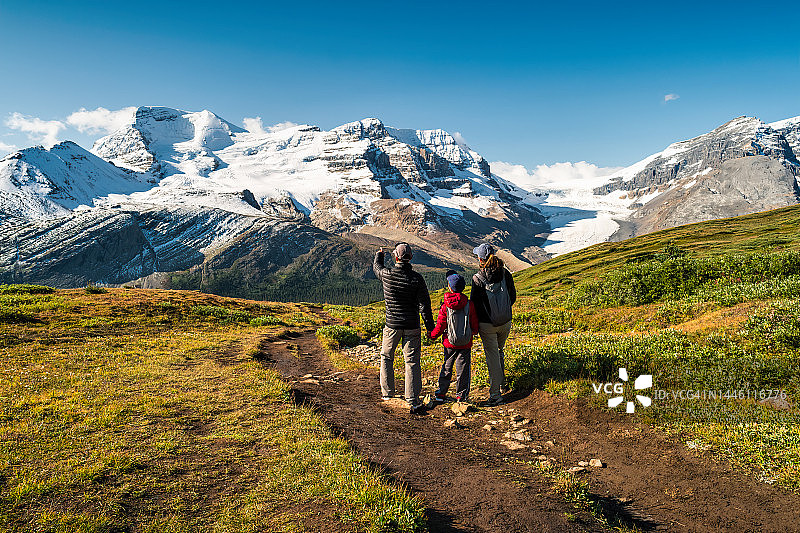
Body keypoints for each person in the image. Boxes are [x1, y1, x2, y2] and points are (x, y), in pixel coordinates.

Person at [373, 242, 435, 413]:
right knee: (412, 361)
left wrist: (380, 255)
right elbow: (424, 306)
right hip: (412, 325)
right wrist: (430, 327)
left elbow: (377, 268)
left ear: (396, 257)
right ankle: (413, 399)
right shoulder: (417, 278)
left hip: (392, 325)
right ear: (411, 258)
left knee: (386, 356)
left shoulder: (387, 274)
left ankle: (387, 393)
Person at [471, 243, 516, 406]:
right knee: (499, 351)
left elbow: (474, 304)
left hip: (487, 324)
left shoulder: (478, 278)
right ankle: (502, 384)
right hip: (505, 322)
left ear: (480, 259)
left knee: (492, 357)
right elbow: (513, 296)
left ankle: (496, 395)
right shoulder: (505, 273)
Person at [429, 271, 479, 403]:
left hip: (449, 342)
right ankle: (461, 396)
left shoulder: (445, 306)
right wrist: (473, 331)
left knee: (447, 366)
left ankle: (441, 393)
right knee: (463, 369)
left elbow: (440, 325)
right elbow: (474, 323)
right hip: (465, 342)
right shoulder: (470, 304)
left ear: (450, 287)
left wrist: (432, 336)